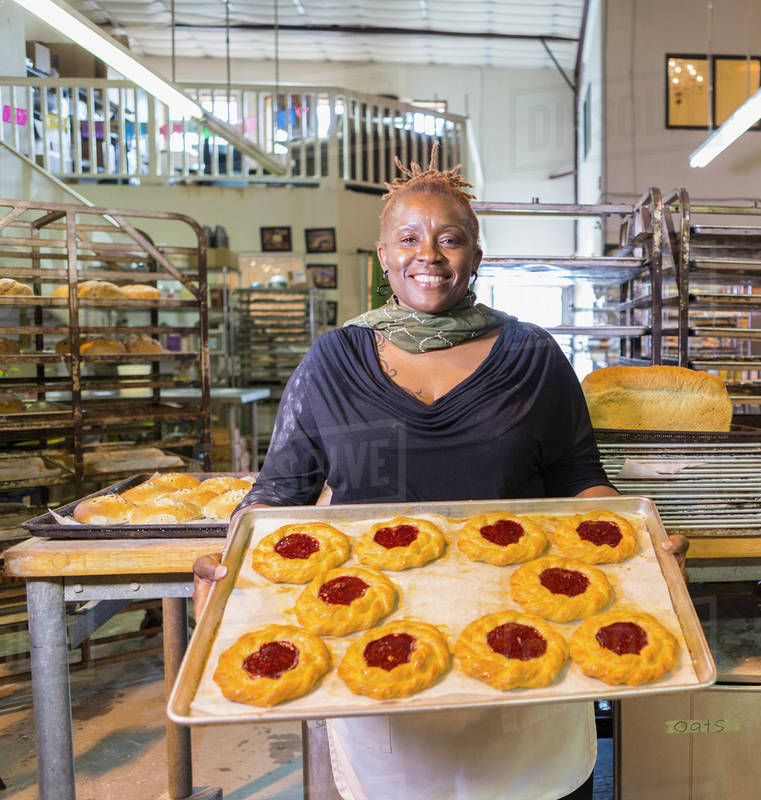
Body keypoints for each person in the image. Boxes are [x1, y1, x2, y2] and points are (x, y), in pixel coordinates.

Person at [194, 150, 687, 800]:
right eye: (409, 238)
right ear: (383, 257)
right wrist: (225, 563)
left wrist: (643, 541)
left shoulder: (532, 355)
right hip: (379, 661)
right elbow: (277, 495)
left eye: (450, 238)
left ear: (477, 256)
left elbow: (579, 478)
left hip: (532, 653)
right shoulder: (332, 361)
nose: (429, 254)